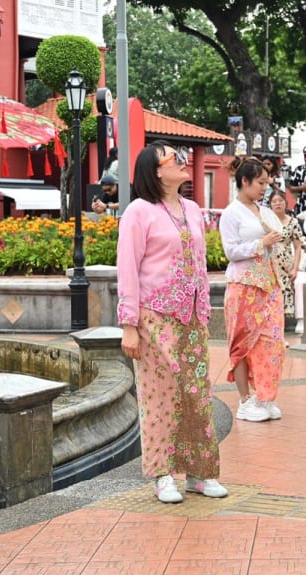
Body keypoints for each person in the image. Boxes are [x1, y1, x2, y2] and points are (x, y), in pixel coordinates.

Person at [117, 142, 225, 504]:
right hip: (155, 317)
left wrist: (204, 309)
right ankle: (162, 474)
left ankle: (199, 472)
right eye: (173, 158)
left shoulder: (192, 209)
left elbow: (201, 262)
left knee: (197, 394)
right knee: (159, 395)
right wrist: (129, 324)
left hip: (191, 317)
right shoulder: (138, 211)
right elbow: (127, 267)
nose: (182, 162)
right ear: (156, 171)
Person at [219, 157, 287, 423]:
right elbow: (231, 251)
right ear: (244, 181)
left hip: (269, 283)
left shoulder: (263, 211)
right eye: (260, 183)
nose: (264, 188)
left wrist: (273, 240)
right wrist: (261, 243)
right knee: (242, 343)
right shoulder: (231, 213)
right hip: (243, 284)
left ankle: (264, 396)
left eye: (266, 183)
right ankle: (245, 400)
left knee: (272, 341)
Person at [269, 190, 306, 323]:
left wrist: (295, 268)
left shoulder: (293, 222)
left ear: (285, 203)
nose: (277, 204)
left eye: (280, 201)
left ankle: (282, 324)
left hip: (286, 264)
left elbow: (298, 248)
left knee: (285, 290)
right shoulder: (266, 222)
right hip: (269, 263)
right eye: (274, 201)